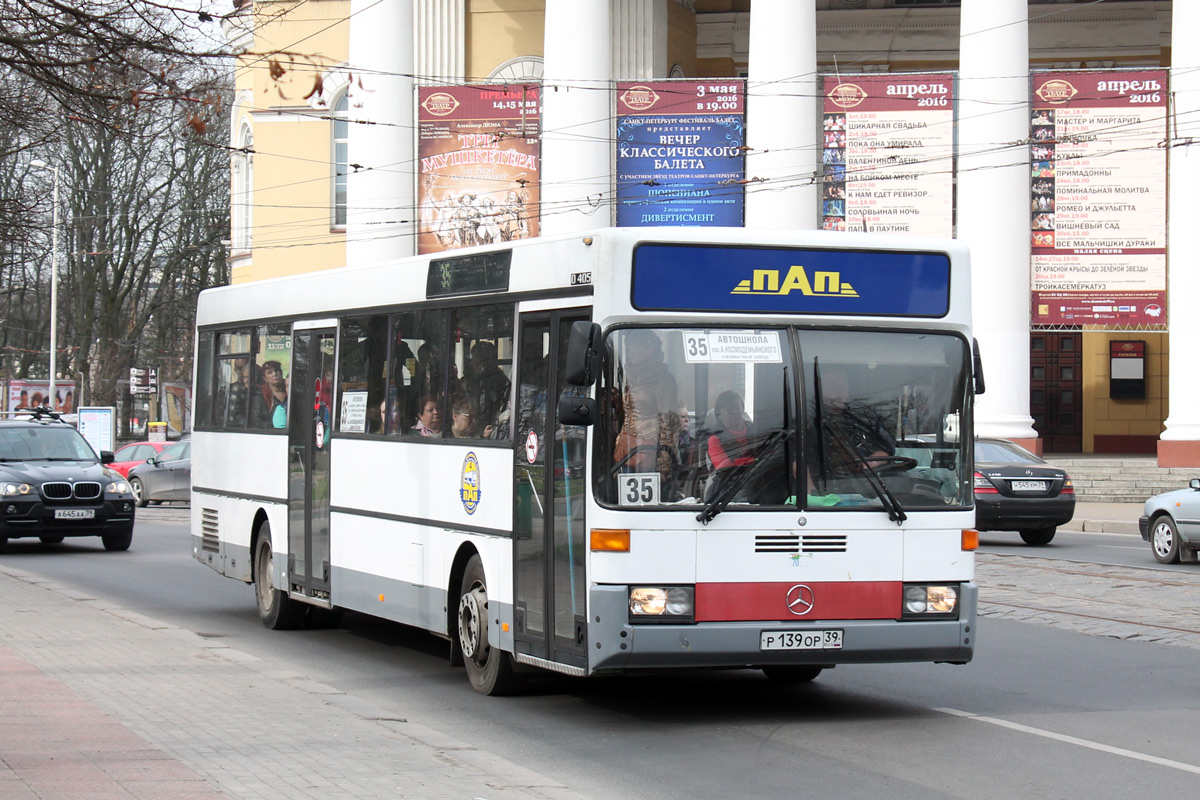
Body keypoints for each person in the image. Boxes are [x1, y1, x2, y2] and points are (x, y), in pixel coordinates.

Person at [613, 330, 680, 480]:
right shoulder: (631, 376)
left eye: (635, 348)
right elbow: (629, 414)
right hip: (627, 450)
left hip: (649, 453)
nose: (631, 353)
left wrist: (663, 465)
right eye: (629, 348)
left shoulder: (663, 380)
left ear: (650, 349)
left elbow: (668, 423)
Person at [466, 341, 510, 433]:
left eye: (475, 359)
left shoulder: (496, 379)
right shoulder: (477, 380)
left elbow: (493, 406)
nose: (473, 363)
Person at [707, 390, 754, 470]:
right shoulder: (715, 439)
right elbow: (724, 468)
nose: (734, 412)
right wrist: (755, 460)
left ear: (743, 410)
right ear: (719, 416)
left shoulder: (756, 429)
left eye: (737, 408)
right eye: (729, 410)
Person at [257, 360, 288, 428]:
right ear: (265, 378)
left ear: (282, 372)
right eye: (270, 372)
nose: (274, 374)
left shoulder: (289, 388)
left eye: (277, 370)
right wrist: (276, 423)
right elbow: (257, 421)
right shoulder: (260, 393)